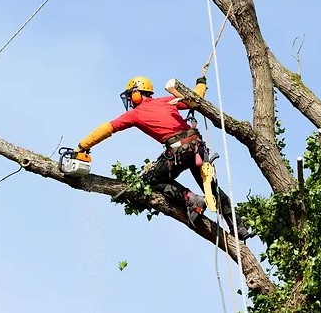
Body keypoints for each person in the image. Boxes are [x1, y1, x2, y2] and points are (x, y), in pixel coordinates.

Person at [76, 75, 253, 241]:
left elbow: (108, 128)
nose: (130, 100)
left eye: (131, 96)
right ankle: (238, 227)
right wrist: (201, 83)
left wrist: (83, 145)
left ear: (137, 93)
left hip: (179, 150)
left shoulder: (135, 114)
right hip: (197, 147)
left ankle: (191, 199)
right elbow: (196, 98)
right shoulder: (166, 100)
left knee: (151, 179)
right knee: (212, 188)